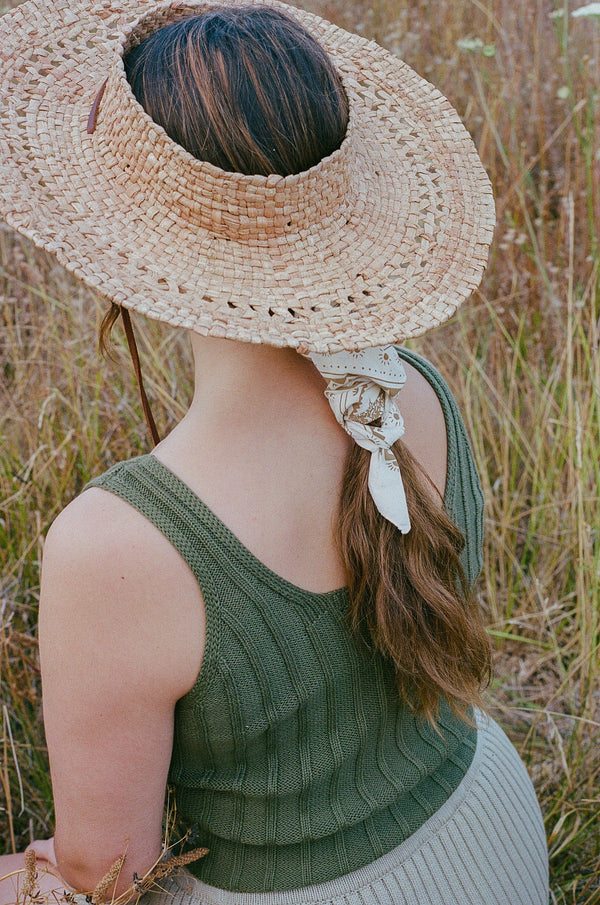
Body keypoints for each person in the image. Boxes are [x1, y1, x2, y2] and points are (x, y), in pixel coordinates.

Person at [0, 1, 549, 904]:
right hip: (489, 827)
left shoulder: (116, 546)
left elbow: (108, 875)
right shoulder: (410, 391)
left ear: (127, 241)